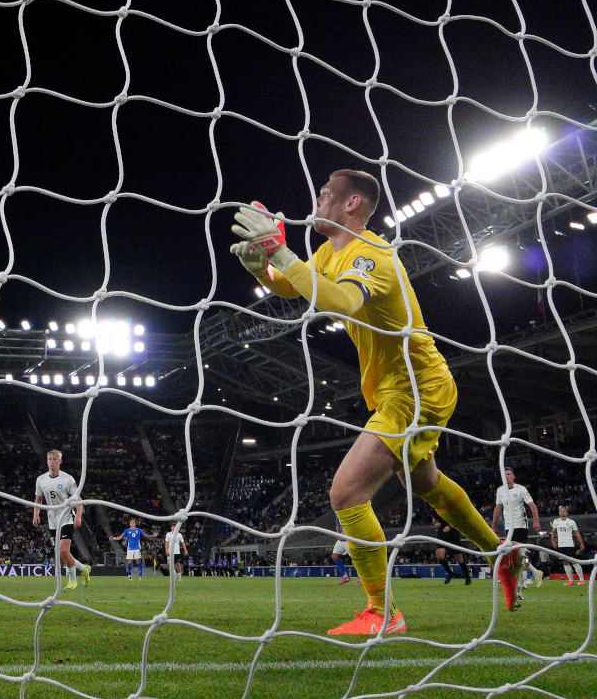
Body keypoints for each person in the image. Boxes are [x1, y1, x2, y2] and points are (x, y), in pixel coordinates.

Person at [231, 170, 508, 633]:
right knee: (426, 484)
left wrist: (279, 250)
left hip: (415, 388)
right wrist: (261, 265)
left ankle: (383, 613)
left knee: (346, 493)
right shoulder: (328, 251)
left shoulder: (372, 256)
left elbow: (339, 302)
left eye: (324, 194)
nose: (316, 201)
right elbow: (294, 286)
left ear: (352, 203)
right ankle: (500, 553)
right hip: (401, 389)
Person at [32, 450, 91, 590]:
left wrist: (78, 516)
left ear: (60, 461)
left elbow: (79, 500)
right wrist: (36, 514)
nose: (52, 461)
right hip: (52, 521)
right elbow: (38, 499)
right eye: (50, 459)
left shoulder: (67, 479)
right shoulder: (41, 480)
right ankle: (84, 569)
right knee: (61, 555)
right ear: (47, 461)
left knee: (63, 551)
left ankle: (72, 580)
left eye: (55, 459)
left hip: (66, 518)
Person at [491, 467, 543, 600]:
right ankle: (534, 573)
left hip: (520, 525)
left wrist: (536, 521)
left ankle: (519, 586)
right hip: (508, 527)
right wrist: (494, 525)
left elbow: (532, 506)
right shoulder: (500, 490)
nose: (507, 476)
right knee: (516, 555)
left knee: (517, 554)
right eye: (504, 475)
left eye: (509, 474)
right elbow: (498, 508)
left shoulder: (521, 489)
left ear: (513, 477)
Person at [551, 505, 586, 586]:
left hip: (569, 544)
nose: (562, 512)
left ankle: (581, 580)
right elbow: (553, 532)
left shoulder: (571, 522)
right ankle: (571, 580)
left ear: (567, 513)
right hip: (561, 545)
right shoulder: (556, 521)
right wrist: (553, 541)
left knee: (574, 562)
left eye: (564, 511)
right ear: (559, 513)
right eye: (561, 511)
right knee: (565, 562)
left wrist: (581, 543)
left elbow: (577, 533)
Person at [434, 514, 471, 586]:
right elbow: (435, 519)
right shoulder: (438, 507)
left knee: (459, 558)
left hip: (453, 533)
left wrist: (450, 526)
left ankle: (467, 577)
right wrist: (436, 523)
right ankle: (450, 573)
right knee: (440, 556)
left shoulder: (452, 507)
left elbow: (459, 519)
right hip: (442, 533)